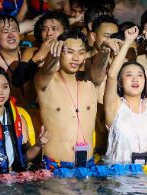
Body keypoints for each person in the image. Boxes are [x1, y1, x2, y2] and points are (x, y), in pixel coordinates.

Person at [35, 30, 100, 169]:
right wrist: (53, 56)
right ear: (59, 52)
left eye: (81, 52)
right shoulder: (45, 83)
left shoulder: (89, 82)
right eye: (69, 52)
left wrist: (105, 53)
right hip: (56, 165)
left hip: (87, 164)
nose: (76, 58)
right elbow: (46, 71)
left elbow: (100, 69)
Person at [0, 65, 48, 174]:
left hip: (14, 176)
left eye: (5, 87)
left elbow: (25, 157)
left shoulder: (18, 118)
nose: (1, 92)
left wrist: (39, 144)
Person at [103, 26, 147, 164]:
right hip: (120, 179)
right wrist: (127, 42)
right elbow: (111, 75)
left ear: (145, 81)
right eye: (129, 75)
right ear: (120, 82)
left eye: (139, 75)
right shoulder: (115, 106)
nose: (135, 79)